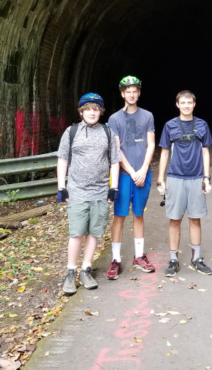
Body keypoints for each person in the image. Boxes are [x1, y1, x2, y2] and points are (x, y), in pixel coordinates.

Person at [57, 93, 121, 295]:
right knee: (77, 233)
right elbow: (62, 160)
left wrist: (114, 187)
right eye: (88, 109)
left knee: (94, 232)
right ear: (81, 111)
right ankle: (70, 272)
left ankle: (86, 269)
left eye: (96, 109)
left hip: (100, 191)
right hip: (77, 190)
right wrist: (61, 186)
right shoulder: (71, 132)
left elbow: (114, 161)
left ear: (100, 112)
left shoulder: (108, 133)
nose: (92, 112)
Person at [157, 90, 212, 277]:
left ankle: (196, 258)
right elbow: (164, 152)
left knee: (195, 219)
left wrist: (206, 177)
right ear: (177, 104)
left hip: (196, 177)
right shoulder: (170, 125)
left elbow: (206, 152)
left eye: (190, 102)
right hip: (175, 177)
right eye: (183, 102)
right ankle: (173, 259)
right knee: (175, 219)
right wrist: (161, 179)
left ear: (194, 104)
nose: (187, 105)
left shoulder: (202, 125)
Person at [106, 76, 156, 279]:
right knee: (119, 216)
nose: (132, 94)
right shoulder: (115, 119)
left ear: (139, 93)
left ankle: (139, 255)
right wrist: (133, 172)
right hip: (124, 175)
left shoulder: (147, 116)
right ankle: (116, 259)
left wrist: (143, 169)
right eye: (128, 91)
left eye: (135, 90)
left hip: (143, 172)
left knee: (138, 214)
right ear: (122, 94)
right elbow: (116, 149)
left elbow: (151, 144)